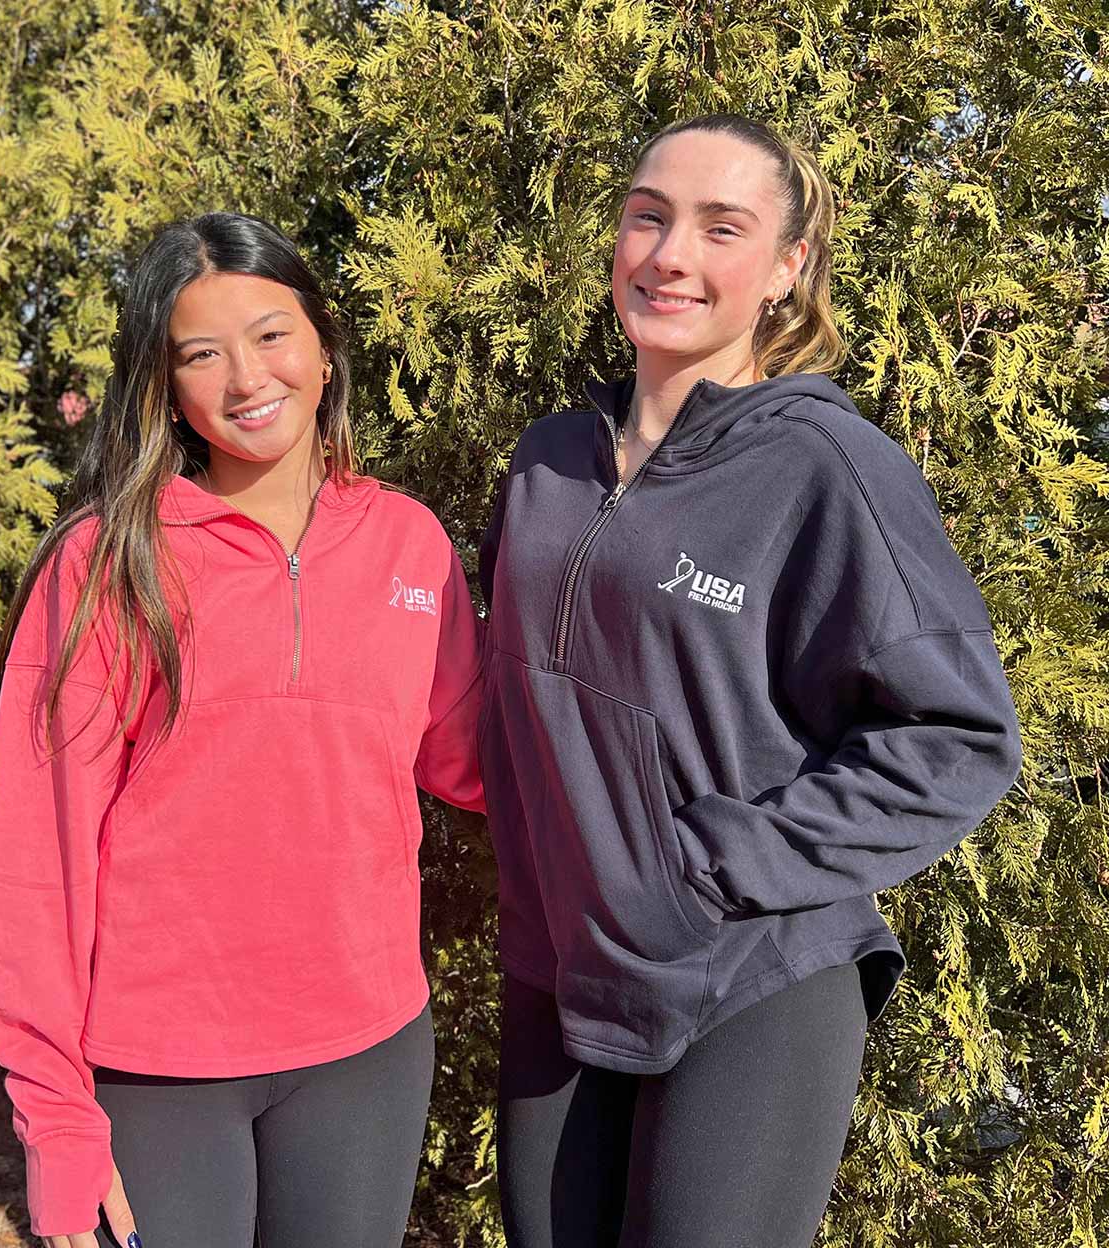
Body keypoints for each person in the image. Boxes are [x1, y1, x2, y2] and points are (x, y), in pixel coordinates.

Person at [477, 115, 1022, 1248]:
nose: (671, 254)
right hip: (567, 969)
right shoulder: (546, 465)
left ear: (784, 271)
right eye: (649, 215)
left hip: (751, 969)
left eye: (722, 228)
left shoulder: (825, 467)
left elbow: (959, 735)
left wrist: (705, 868)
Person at [0, 213, 485, 1248]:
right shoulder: (105, 564)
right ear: (164, 386)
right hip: (160, 1071)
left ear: (325, 346)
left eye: (270, 335)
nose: (247, 377)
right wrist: (57, 1120)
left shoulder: (410, 543)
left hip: (366, 1052)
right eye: (200, 354)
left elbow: (477, 764)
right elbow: (40, 865)